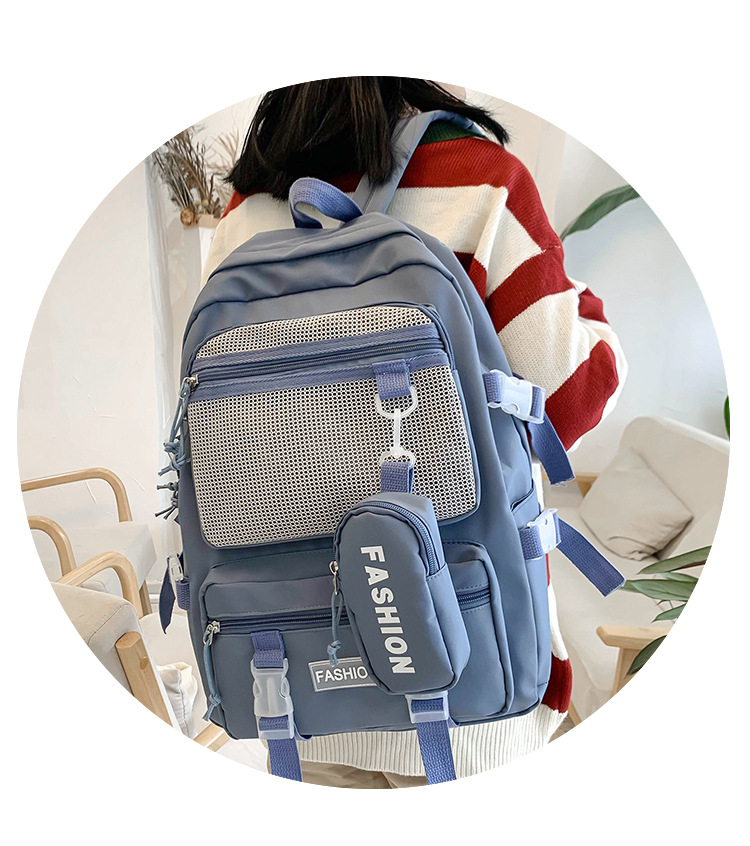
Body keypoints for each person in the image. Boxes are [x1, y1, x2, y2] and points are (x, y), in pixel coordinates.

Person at [202, 77, 627, 788]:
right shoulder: (479, 178)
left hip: (288, 675)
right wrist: (584, 308)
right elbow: (568, 398)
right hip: (466, 671)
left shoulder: (245, 211)